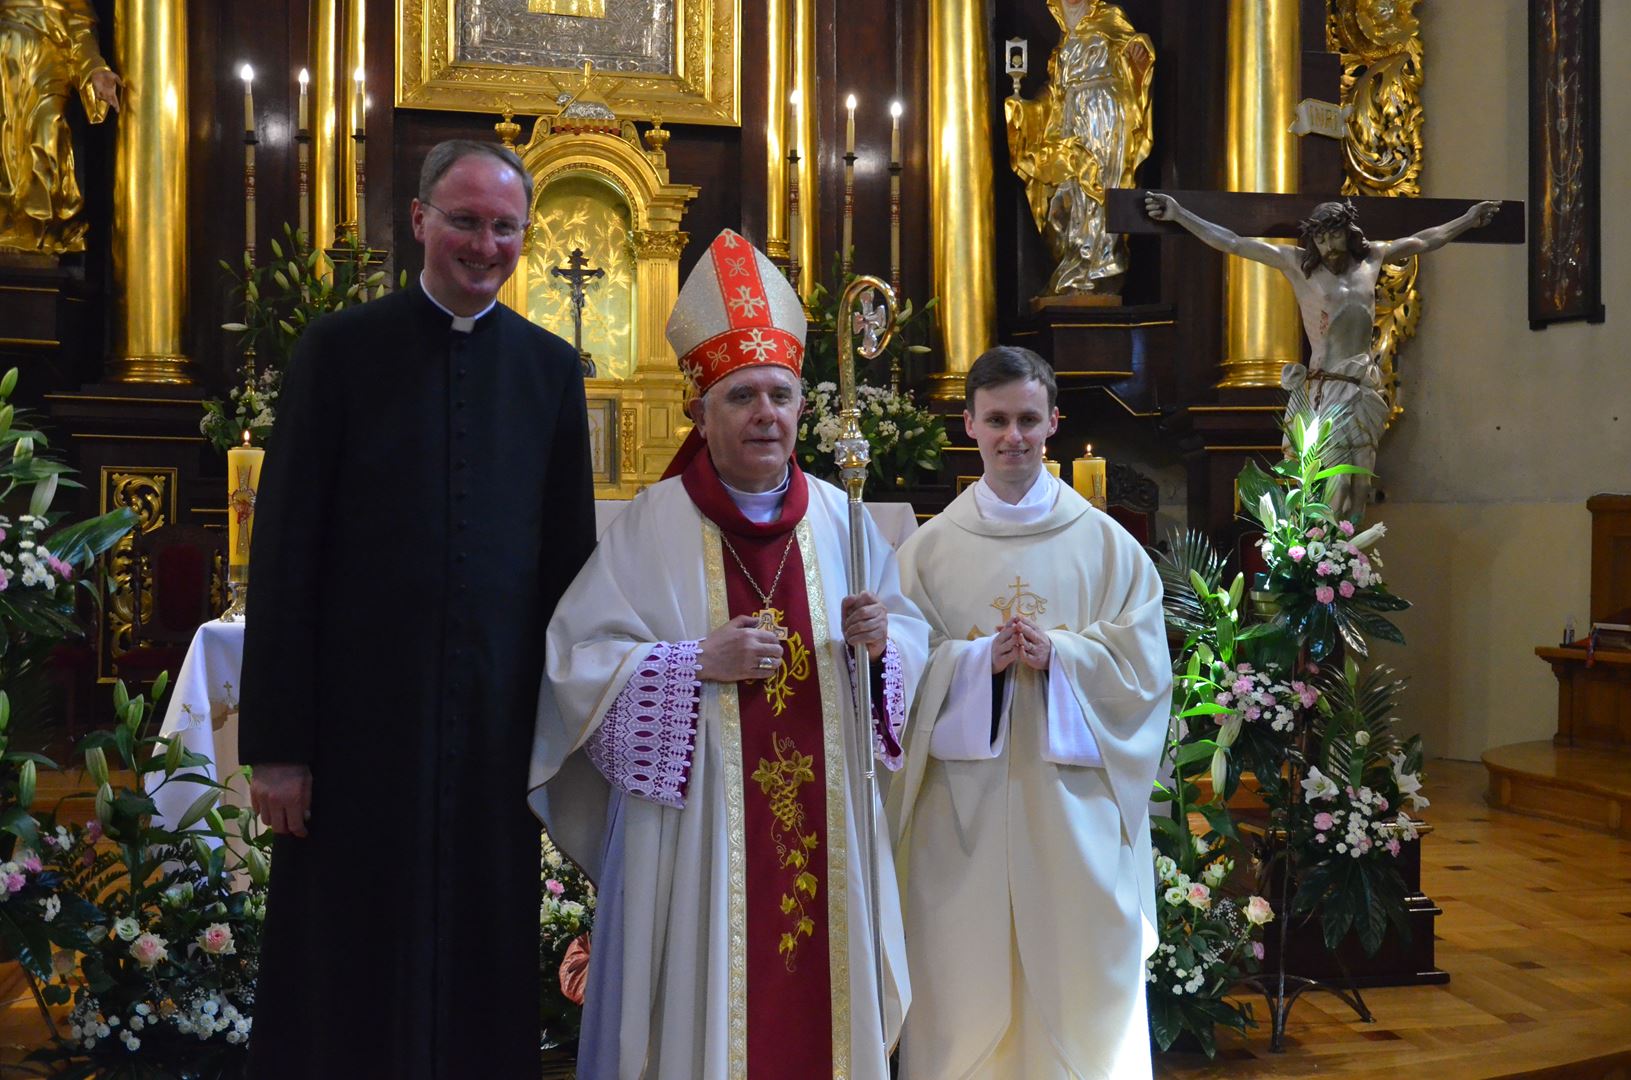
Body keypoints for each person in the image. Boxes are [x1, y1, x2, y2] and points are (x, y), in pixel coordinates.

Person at [529, 228, 929, 1080]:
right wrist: (687, 664)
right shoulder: (652, 524)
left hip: (829, 830)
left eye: (780, 395)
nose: (766, 415)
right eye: (742, 396)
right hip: (700, 837)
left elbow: (909, 647)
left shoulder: (842, 519)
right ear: (700, 411)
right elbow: (577, 663)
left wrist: (881, 649)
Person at [237, 139, 596, 1078]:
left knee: (484, 940)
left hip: (492, 729)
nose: (485, 244)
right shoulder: (338, 351)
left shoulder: (550, 370)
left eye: (505, 226)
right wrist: (278, 746)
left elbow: (569, 567)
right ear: (420, 222)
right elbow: (282, 553)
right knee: (343, 949)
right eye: (466, 221)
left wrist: (568, 735)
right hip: (357, 727)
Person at [887, 345, 1171, 1080]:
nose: (1012, 437)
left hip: (1071, 807)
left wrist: (1066, 658)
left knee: (1077, 987)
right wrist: (977, 662)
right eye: (996, 420)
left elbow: (1145, 681)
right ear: (969, 425)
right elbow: (894, 684)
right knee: (960, 978)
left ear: (1052, 422)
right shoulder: (926, 553)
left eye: (1027, 420)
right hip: (959, 816)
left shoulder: (1110, 549)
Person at [1145, 191, 1500, 519]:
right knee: (1335, 484)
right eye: (1320, 238)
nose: (1328, 245)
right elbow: (1233, 243)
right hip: (1325, 391)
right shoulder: (1299, 265)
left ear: (1349, 232)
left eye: (1334, 236)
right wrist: (1179, 215)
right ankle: (1320, 565)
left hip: (1361, 388)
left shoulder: (1372, 259)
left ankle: (1343, 567)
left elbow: (1424, 240)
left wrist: (1467, 220)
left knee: (1361, 485)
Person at [1004, 0, 1154, 296]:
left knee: (1100, 190)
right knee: (1066, 194)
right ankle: (1074, 265)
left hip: (1105, 112)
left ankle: (1101, 268)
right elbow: (1054, 94)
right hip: (1070, 119)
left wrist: (1140, 53)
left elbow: (1137, 51)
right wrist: (1026, 110)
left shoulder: (1110, 17)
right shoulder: (1063, 37)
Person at [0, 0, 122, 254]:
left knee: (46, 137)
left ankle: (35, 232)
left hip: (50, 63)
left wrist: (96, 69)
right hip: (4, 59)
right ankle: (10, 231)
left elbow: (80, 31)